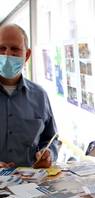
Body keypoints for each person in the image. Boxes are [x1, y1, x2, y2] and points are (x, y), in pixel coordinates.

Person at [0, 24, 58, 168]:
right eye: (1, 48)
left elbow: (51, 138)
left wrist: (48, 153)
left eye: (15, 49)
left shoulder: (40, 96)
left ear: (27, 55)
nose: (7, 55)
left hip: (30, 186)